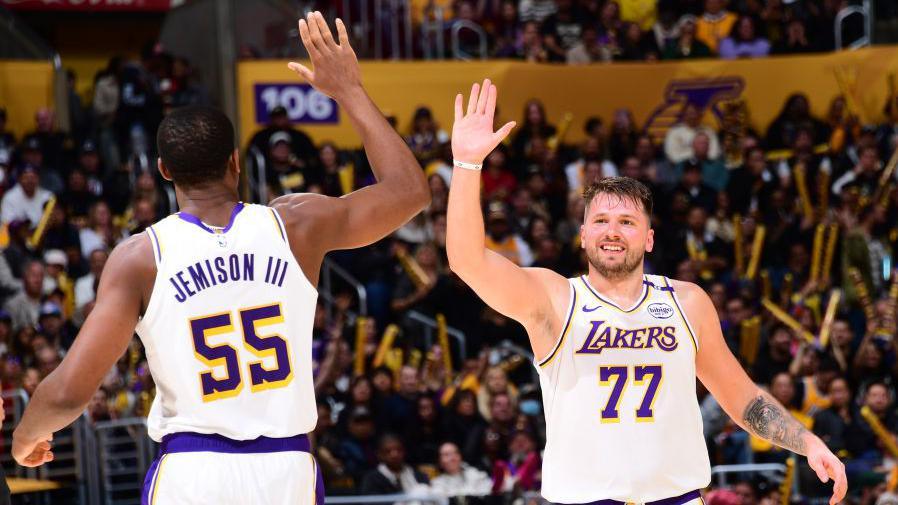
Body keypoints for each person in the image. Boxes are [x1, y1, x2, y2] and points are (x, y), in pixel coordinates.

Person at [11, 12, 430, 505]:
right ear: (236, 161)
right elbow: (410, 191)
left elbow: (67, 394)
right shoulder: (296, 225)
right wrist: (351, 92)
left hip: (193, 472)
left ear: (164, 170)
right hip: (287, 470)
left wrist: (24, 439)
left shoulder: (140, 257)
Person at [445, 79, 847, 505]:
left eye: (627, 222)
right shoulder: (555, 298)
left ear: (650, 238)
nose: (612, 232)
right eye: (600, 221)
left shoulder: (687, 302)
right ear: (582, 235)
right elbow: (467, 261)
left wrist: (809, 443)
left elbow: (743, 400)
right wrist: (467, 166)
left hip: (677, 498)